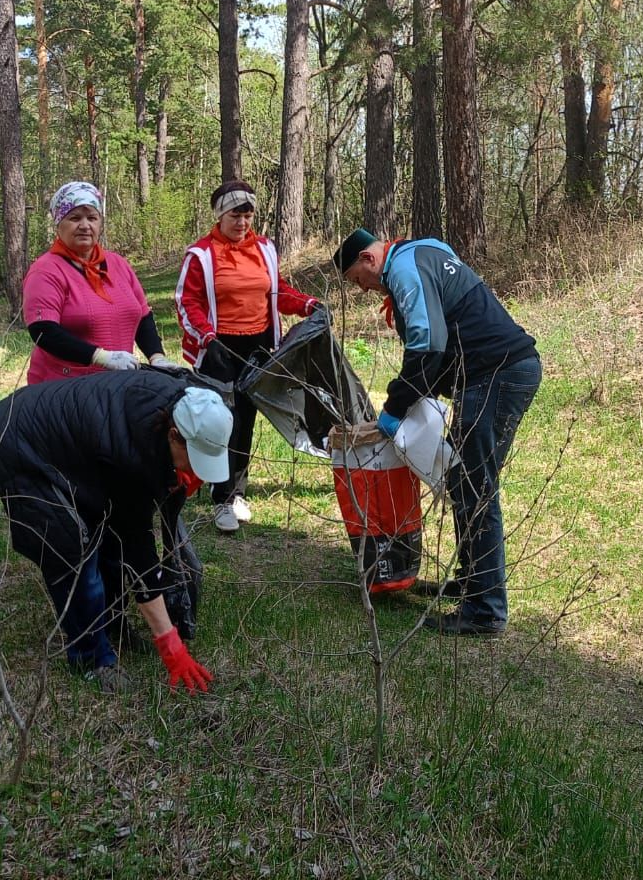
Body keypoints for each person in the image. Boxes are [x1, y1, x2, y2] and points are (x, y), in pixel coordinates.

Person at [333, 228, 542, 636]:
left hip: (496, 375)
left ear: (368, 258)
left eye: (360, 280)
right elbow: (441, 340)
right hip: (494, 373)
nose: (366, 290)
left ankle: (485, 610)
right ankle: (472, 581)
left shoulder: (405, 269)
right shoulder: (424, 250)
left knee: (475, 490)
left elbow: (428, 346)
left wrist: (393, 410)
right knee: (466, 483)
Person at [0, 370, 230, 693]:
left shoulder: (195, 404)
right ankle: (90, 659)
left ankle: (111, 625)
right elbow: (139, 552)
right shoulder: (133, 454)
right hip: (16, 440)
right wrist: (171, 647)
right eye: (192, 462)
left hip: (74, 442)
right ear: (174, 435)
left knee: (107, 529)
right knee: (72, 548)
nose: (195, 472)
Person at [175, 179, 320, 533]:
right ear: (220, 215)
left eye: (248, 215)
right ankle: (220, 496)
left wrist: (307, 305)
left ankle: (236, 492)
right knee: (222, 420)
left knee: (247, 419)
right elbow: (186, 301)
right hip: (218, 347)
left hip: (257, 345)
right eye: (234, 215)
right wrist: (206, 337)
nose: (242, 222)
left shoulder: (266, 249)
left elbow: (278, 292)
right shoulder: (202, 255)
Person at [23, 181, 171, 384]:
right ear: (58, 224)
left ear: (100, 223)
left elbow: (143, 317)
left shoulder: (117, 264)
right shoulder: (46, 270)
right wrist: (100, 357)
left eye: (92, 218)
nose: (85, 226)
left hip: (117, 384)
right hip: (63, 387)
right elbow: (43, 332)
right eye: (74, 218)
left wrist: (157, 357)